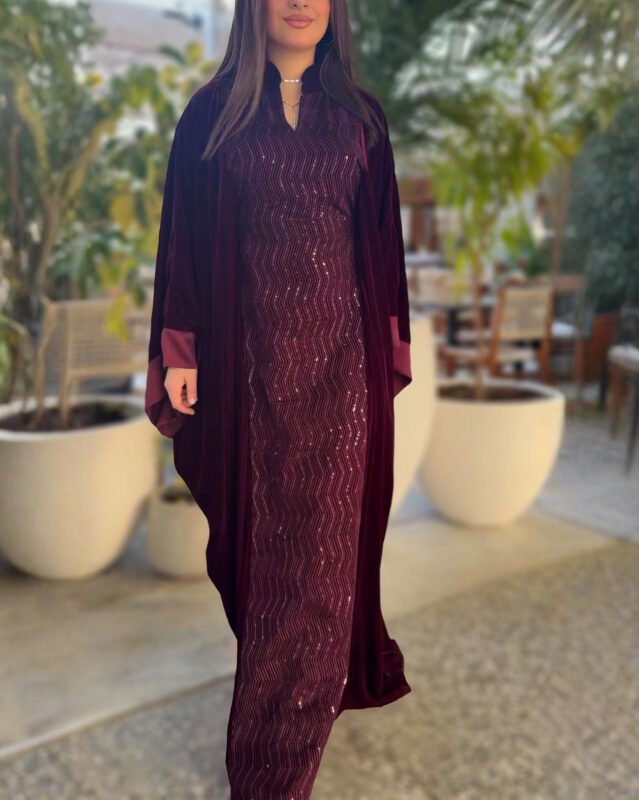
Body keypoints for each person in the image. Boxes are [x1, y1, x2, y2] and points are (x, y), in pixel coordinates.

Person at [144, 0, 413, 796]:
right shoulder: (211, 115)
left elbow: (385, 248)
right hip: (250, 374)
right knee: (269, 571)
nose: (301, 2)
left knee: (325, 571)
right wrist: (181, 347)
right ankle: (277, 734)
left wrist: (390, 355)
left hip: (344, 376)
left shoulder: (361, 119)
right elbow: (183, 240)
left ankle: (279, 771)